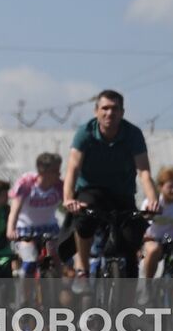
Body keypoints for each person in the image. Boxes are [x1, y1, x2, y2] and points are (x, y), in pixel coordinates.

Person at [63, 90, 160, 283]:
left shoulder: (133, 134)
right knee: (83, 219)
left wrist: (152, 200)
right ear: (96, 111)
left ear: (122, 112)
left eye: (115, 109)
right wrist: (68, 198)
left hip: (122, 194)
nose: (110, 113)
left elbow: (144, 172)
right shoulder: (85, 133)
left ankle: (128, 305)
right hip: (91, 190)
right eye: (105, 108)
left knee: (131, 242)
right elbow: (73, 169)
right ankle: (82, 268)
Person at [8, 153, 64, 277]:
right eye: (55, 171)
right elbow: (15, 208)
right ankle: (23, 293)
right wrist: (11, 229)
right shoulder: (27, 183)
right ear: (44, 171)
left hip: (50, 228)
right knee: (30, 260)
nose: (59, 174)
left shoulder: (59, 186)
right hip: (26, 230)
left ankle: (57, 288)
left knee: (57, 258)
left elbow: (69, 204)